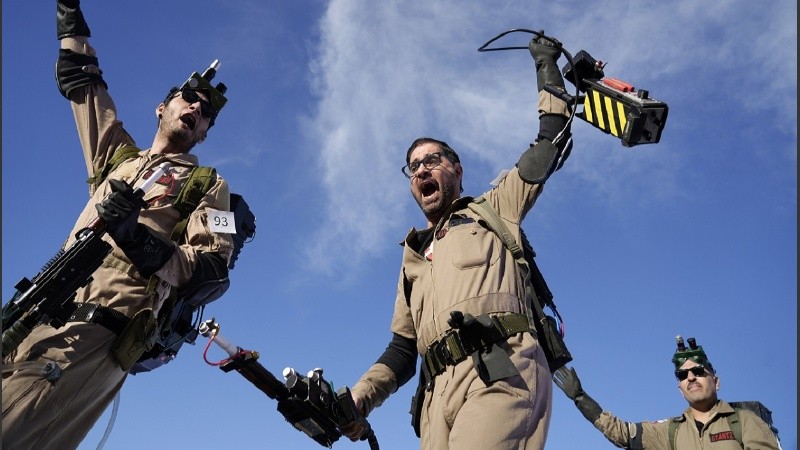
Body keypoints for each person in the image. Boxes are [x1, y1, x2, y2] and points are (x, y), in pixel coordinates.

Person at [2, 1, 237, 448]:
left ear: (205, 132)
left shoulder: (208, 184)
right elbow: (83, 84)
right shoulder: (118, 157)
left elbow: (210, 271)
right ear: (162, 107)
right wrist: (70, 19)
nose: (196, 109)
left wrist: (136, 237)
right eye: (189, 98)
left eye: (206, 112)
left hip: (98, 335)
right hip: (36, 312)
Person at [342, 34, 574, 449]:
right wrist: (361, 396)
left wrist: (545, 64)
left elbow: (550, 138)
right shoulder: (413, 257)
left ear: (457, 169)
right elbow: (401, 350)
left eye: (432, 160)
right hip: (435, 401)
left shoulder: (495, 207)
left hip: (500, 370)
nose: (421, 170)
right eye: (413, 166)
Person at [553, 336, 781, 449]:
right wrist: (580, 398)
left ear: (716, 381)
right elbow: (623, 432)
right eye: (683, 375)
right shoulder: (670, 431)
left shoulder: (745, 422)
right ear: (680, 389)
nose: (690, 377)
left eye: (698, 371)